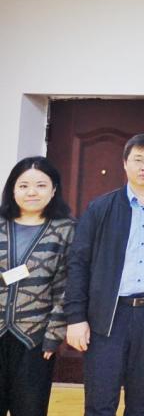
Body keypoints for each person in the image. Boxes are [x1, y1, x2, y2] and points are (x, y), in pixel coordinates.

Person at [64, 134, 144, 416]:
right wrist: (75, 318)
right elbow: (79, 264)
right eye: (138, 159)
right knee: (100, 402)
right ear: (125, 163)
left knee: (143, 403)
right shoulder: (100, 208)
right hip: (108, 315)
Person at [0, 156, 75, 416]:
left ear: (53, 190)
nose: (32, 192)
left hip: (34, 339)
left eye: (41, 185)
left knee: (29, 409)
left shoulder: (66, 229)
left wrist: (53, 336)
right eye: (23, 185)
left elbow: (67, 287)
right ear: (12, 189)